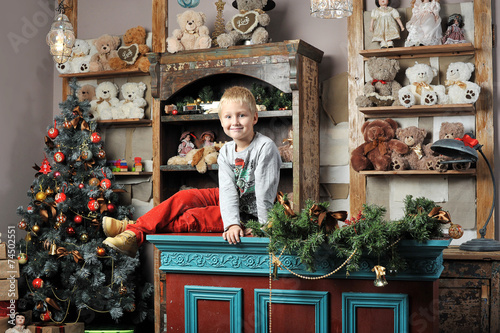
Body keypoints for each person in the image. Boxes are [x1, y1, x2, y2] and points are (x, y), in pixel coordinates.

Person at [102, 86, 282, 256]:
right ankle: (135, 229)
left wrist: (249, 226)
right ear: (221, 120)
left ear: (255, 118)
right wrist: (231, 220)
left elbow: (264, 193)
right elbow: (227, 190)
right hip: (232, 197)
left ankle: (132, 231)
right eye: (228, 117)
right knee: (184, 197)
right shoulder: (226, 150)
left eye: (241, 115)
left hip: (252, 213)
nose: (234, 122)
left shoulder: (265, 148)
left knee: (192, 217)